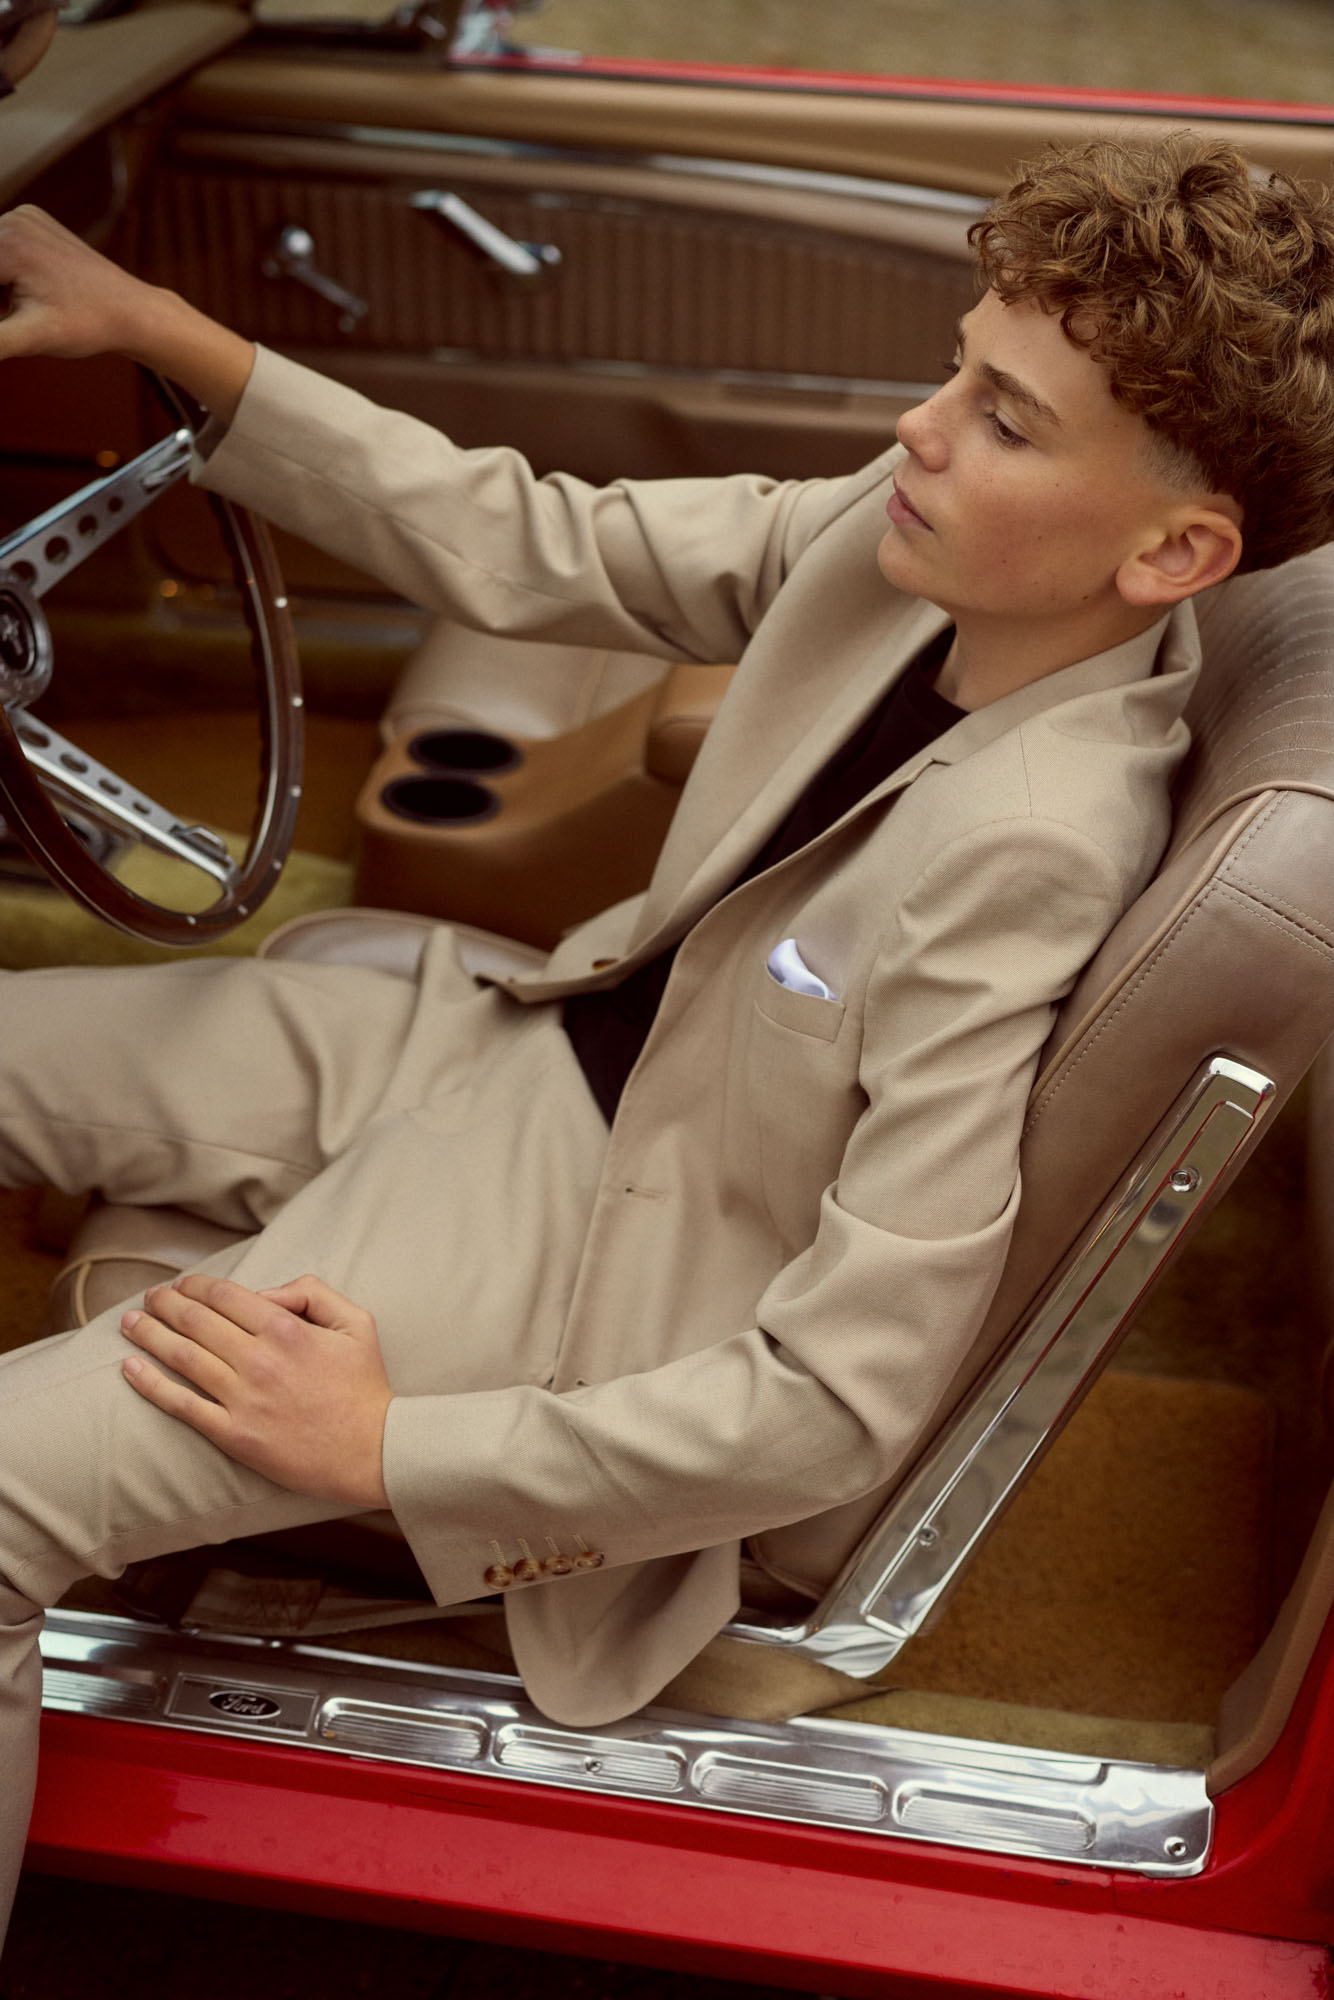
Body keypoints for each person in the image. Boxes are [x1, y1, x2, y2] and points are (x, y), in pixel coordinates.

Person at [1, 131, 1332, 1945]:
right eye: (956, 367)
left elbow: (841, 1400)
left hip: (588, 1261)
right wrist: (163, 328)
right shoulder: (904, 548)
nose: (924, 429)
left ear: (1176, 552)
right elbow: (540, 537)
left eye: (1006, 420)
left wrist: (392, 1454)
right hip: (507, 1036)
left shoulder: (1030, 847)